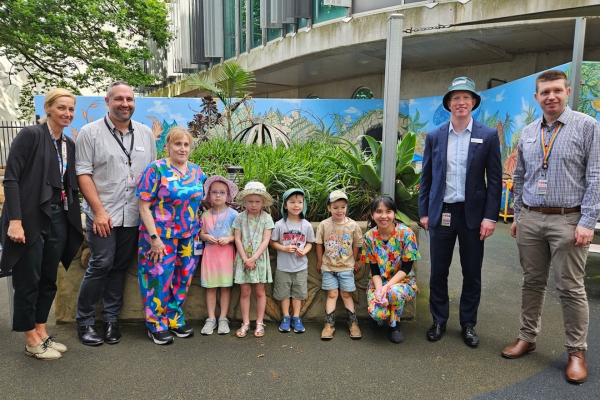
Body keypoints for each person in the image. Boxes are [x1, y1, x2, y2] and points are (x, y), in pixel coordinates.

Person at [501, 70, 600, 384]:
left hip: (568, 220)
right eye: (545, 92)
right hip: (530, 217)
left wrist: (588, 222)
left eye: (557, 90)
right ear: (537, 97)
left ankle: (576, 352)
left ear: (567, 91)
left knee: (570, 288)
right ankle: (527, 338)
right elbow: (519, 178)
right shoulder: (528, 132)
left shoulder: (587, 127)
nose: (551, 96)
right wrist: (517, 215)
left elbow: (596, 177)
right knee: (532, 282)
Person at [418, 76, 502, 347]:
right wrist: (423, 212)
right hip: (441, 211)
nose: (461, 102)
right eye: (456, 98)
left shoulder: (487, 135)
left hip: (473, 215)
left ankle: (468, 323)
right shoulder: (434, 136)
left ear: (474, 102)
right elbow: (427, 178)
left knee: (472, 271)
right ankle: (439, 319)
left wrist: (490, 217)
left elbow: (495, 180)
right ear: (448, 104)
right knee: (438, 270)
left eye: (466, 97)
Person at [0, 89, 84, 359]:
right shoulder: (31, 135)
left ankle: (41, 331)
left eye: (70, 109)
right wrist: (15, 221)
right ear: (48, 108)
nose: (67, 113)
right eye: (61, 107)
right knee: (29, 279)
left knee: (49, 279)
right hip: (29, 218)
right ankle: (30, 340)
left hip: (57, 215)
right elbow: (11, 179)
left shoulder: (68, 144)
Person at [75, 81, 157, 346]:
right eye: (119, 99)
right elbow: (83, 174)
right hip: (104, 214)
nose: (125, 104)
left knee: (119, 267)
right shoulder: (90, 132)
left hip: (133, 215)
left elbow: (152, 177)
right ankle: (85, 322)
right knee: (100, 265)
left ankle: (111, 321)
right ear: (108, 101)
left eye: (130, 99)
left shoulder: (145, 133)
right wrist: (98, 212)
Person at [136, 127, 206, 345]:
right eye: (177, 144)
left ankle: (174, 318)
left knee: (183, 279)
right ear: (167, 146)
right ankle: (156, 324)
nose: (182, 148)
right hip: (160, 236)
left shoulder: (197, 172)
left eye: (186, 144)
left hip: (189, 236)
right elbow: (143, 206)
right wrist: (154, 238)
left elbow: (200, 203)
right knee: (158, 279)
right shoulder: (156, 170)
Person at [360, 196, 420, 344]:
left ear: (394, 214)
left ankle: (395, 324)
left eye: (388, 211)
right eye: (379, 211)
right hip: (379, 281)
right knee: (377, 312)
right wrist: (380, 291)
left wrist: (387, 287)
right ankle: (380, 318)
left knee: (392, 293)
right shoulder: (369, 237)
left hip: (403, 281)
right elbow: (374, 270)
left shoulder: (406, 234)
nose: (384, 216)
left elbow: (406, 268)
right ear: (372, 215)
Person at [315, 190, 363, 340]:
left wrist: (355, 261)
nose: (339, 210)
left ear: (346, 207)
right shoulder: (324, 225)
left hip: (346, 267)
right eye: (335, 207)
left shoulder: (353, 226)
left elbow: (356, 244)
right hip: (328, 267)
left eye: (342, 207)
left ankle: (353, 323)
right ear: (329, 208)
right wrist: (319, 261)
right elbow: (319, 244)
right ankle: (329, 324)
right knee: (332, 294)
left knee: (346, 293)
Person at [232, 182, 275, 338]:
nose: (254, 204)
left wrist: (254, 258)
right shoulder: (239, 218)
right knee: (244, 291)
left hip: (259, 259)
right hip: (243, 259)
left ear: (263, 202)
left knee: (259, 291)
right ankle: (245, 322)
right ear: (245, 202)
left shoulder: (267, 218)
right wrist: (245, 259)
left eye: (257, 201)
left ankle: (259, 322)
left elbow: (266, 240)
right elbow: (237, 239)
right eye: (250, 201)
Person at [270, 188, 315, 334]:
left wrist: (305, 251)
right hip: (283, 266)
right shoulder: (280, 224)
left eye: (300, 202)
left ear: (304, 205)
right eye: (292, 202)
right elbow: (273, 242)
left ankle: (296, 317)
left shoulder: (306, 225)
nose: (296, 205)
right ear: (285, 205)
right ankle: (286, 317)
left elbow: (310, 242)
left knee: (298, 293)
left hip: (300, 266)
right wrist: (283, 248)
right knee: (283, 293)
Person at [199, 175, 239, 335]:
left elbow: (239, 236)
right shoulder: (205, 215)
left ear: (228, 195)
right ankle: (211, 318)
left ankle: (223, 318)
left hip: (226, 256)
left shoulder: (233, 215)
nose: (218, 195)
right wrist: (205, 236)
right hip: (210, 256)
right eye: (214, 192)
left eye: (222, 192)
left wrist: (229, 238)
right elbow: (200, 233)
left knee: (225, 288)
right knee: (210, 288)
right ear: (208, 194)